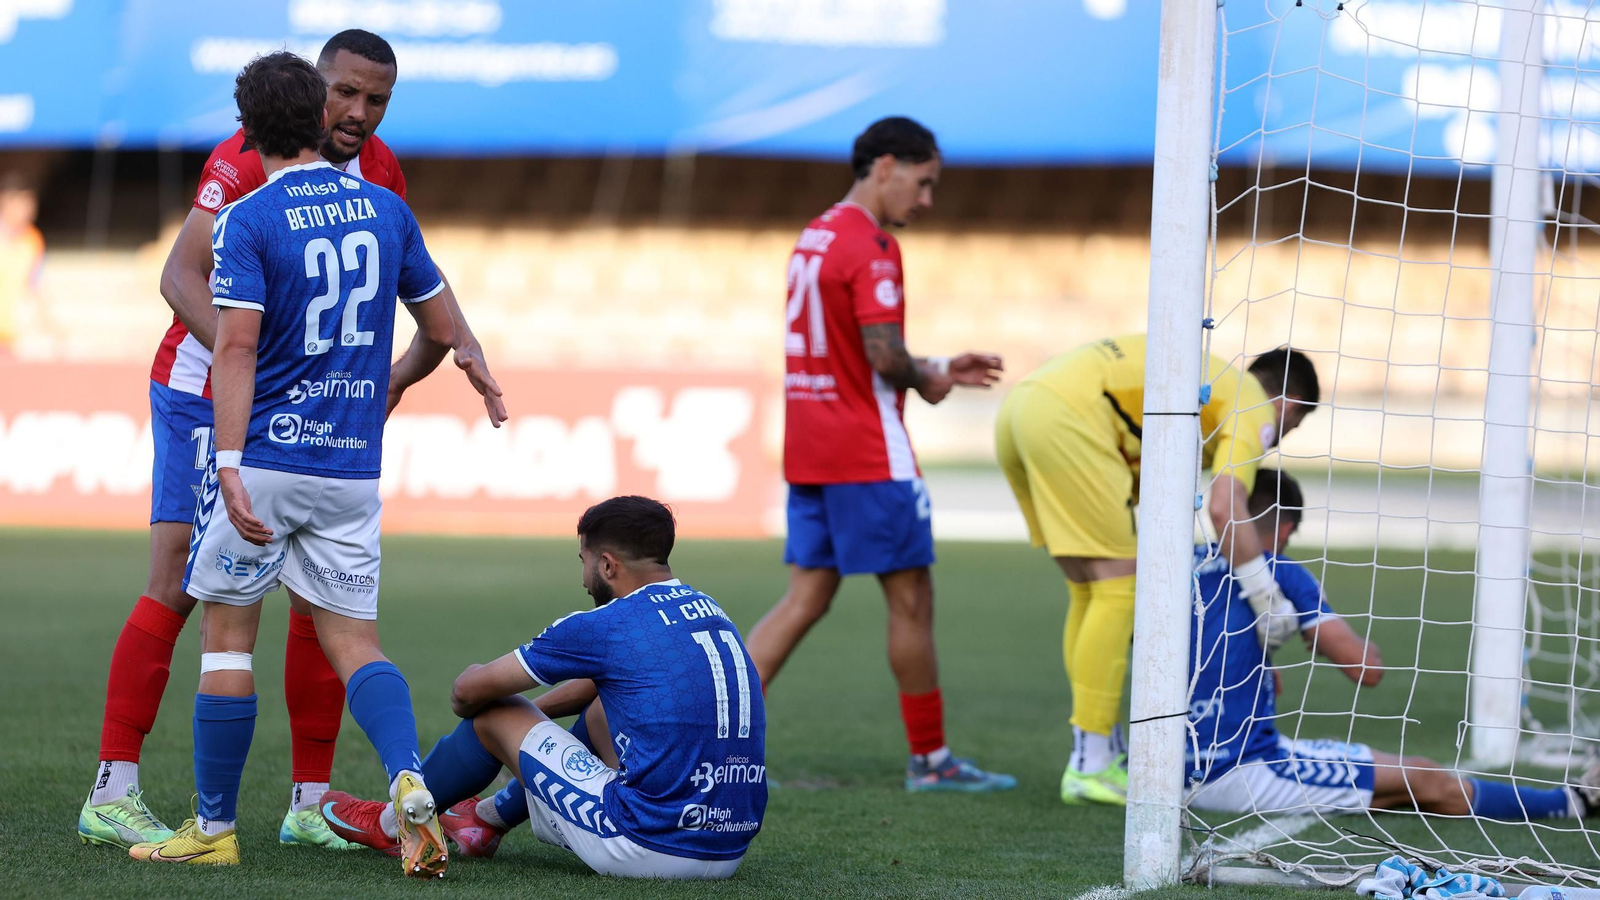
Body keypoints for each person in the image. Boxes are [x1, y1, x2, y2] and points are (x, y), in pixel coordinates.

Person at [79, 28, 506, 853]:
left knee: (322, 596)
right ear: (315, 90)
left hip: (291, 409)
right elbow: (179, 279)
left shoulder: (382, 172)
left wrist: (387, 381)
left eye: (375, 100)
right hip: (205, 392)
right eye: (344, 93)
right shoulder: (242, 163)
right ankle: (113, 787)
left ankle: (308, 801)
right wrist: (283, 372)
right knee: (177, 581)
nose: (357, 112)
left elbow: (422, 296)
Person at [740, 116, 1011, 792]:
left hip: (810, 445)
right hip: (867, 452)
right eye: (924, 184)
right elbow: (885, 358)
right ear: (886, 165)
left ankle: (722, 747)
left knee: (804, 598)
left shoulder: (816, 233)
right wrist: (934, 378)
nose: (926, 201)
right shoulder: (872, 245)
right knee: (912, 600)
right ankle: (932, 761)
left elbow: (848, 345)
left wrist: (941, 362)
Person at [320, 496, 767, 879]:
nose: (583, 578)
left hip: (650, 846)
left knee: (492, 715)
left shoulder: (608, 623)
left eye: (585, 563)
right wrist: (533, 722)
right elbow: (609, 685)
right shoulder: (709, 608)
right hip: (728, 846)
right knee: (600, 708)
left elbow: (467, 693)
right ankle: (485, 820)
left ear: (608, 564)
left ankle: (387, 823)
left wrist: (511, 724)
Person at [994, 336, 1319, 805]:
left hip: (1021, 407)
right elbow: (1226, 509)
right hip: (1069, 417)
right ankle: (1090, 765)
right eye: (1296, 421)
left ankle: (1098, 748)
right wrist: (1266, 600)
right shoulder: (1254, 406)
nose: (1285, 433)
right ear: (1288, 405)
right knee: (1118, 590)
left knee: (1089, 590)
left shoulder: (1213, 388)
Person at [1186, 469, 1600, 822]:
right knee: (1425, 779)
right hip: (1241, 771)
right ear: (1287, 529)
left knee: (1391, 784)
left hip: (1171, 768)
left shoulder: (1187, 563)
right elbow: (1365, 670)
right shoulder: (1281, 570)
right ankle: (1569, 802)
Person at [0, 175, 42, 358]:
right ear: (6, 201)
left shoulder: (33, 240)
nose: (29, 208)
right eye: (23, 201)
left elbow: (35, 288)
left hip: (10, 339)